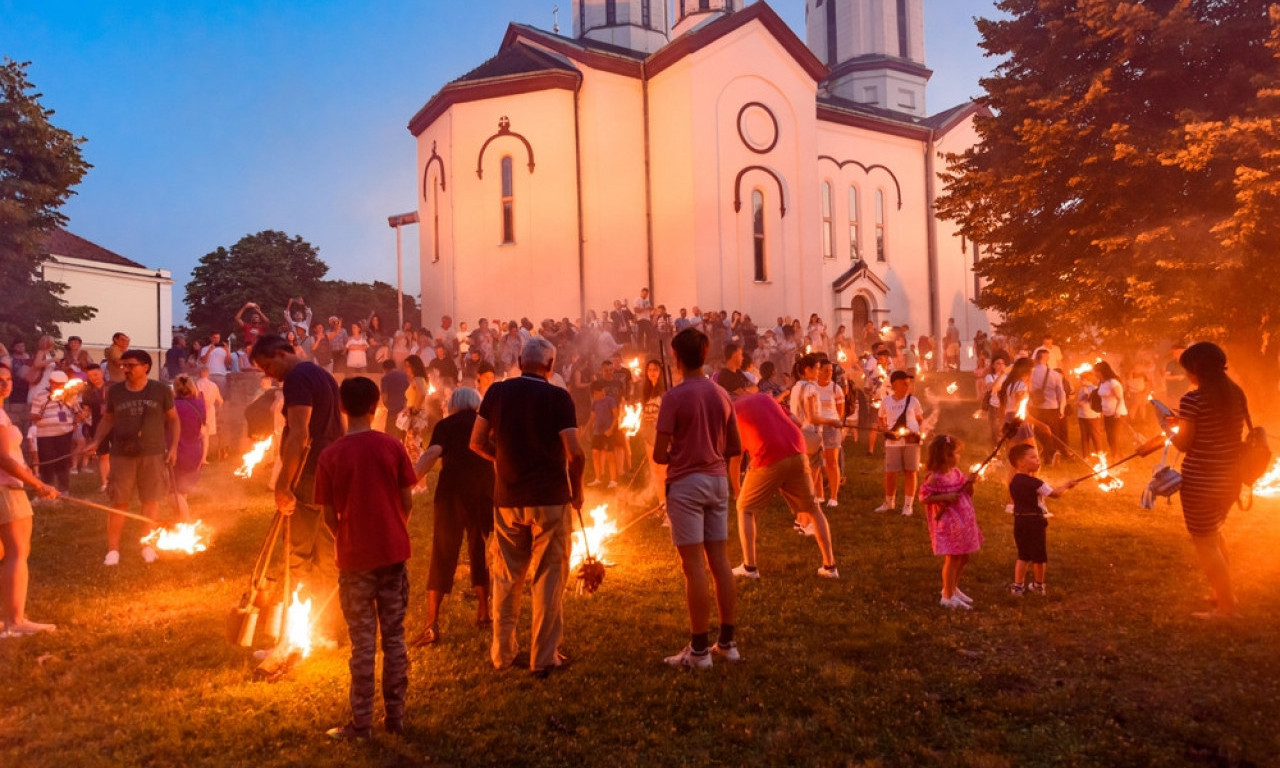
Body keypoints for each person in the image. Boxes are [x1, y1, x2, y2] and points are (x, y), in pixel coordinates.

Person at [470, 337, 584, 678]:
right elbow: (576, 453)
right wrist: (577, 491)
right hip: (549, 498)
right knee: (549, 577)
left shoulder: (496, 393)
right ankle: (544, 657)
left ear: (520, 361)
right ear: (550, 365)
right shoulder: (559, 397)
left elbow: (476, 442)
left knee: (506, 578)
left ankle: (503, 654)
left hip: (508, 498)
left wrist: (502, 460)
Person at [314, 376, 415, 740]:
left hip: (354, 560)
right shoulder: (392, 446)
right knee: (394, 638)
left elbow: (328, 515)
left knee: (362, 644)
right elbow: (407, 501)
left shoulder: (330, 455)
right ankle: (396, 717)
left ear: (342, 407)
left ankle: (361, 723)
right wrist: (392, 529)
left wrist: (346, 537)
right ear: (376, 407)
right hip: (392, 555)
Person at [653, 328, 742, 670]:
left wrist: (682, 450)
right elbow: (735, 446)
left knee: (694, 568)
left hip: (687, 485)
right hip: (717, 481)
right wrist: (710, 449)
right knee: (719, 561)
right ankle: (728, 643)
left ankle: (700, 651)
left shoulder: (673, 397)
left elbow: (659, 454)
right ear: (704, 355)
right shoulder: (721, 393)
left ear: (676, 358)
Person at [250, 335, 344, 626]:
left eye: (268, 365)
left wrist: (283, 483)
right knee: (329, 550)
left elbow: (300, 433)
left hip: (309, 472)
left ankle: (294, 627)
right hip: (333, 469)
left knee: (298, 550)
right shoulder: (323, 375)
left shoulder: (297, 378)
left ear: (282, 353)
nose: (269, 374)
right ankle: (327, 627)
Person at [1164, 342, 1247, 619]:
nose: (1186, 374)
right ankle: (1220, 593)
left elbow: (1184, 443)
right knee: (1215, 534)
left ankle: (1227, 607)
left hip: (1202, 479)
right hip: (1230, 477)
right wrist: (1185, 420)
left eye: (1187, 368)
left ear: (1196, 369)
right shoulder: (1235, 393)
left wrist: (1169, 428)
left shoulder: (1193, 399)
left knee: (1205, 542)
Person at [410, 387, 493, 647]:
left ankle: (431, 623)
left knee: (443, 553)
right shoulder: (486, 424)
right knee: (481, 550)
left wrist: (410, 479)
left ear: (453, 404)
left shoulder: (446, 425)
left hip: (451, 495)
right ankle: (484, 612)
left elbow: (432, 453)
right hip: (483, 493)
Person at [84, 350, 180, 565]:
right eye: (123, 365)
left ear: (146, 367)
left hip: (153, 453)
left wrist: (173, 447)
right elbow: (108, 419)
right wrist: (96, 441)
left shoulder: (161, 390)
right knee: (119, 502)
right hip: (122, 454)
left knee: (150, 500)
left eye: (130, 365)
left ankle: (147, 545)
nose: (125, 369)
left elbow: (173, 419)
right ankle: (113, 550)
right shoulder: (115, 391)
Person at [728, 392, 837, 580]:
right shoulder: (765, 397)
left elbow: (736, 459)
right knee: (813, 508)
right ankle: (830, 567)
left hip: (768, 454)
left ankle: (749, 568)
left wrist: (737, 490)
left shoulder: (731, 413)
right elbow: (797, 422)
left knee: (745, 509)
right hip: (797, 448)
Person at [0, 364, 60, 637]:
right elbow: (4, 459)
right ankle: (15, 621)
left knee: (5, 552)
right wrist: (38, 484)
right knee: (17, 552)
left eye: (8, 379)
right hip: (6, 490)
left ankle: (9, 619)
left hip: (7, 487)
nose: (5, 384)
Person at [919, 435, 983, 609]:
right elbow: (924, 498)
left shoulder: (956, 473)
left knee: (964, 556)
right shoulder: (935, 477)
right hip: (949, 522)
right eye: (956, 453)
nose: (959, 456)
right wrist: (945, 497)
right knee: (953, 557)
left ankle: (952, 587)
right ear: (945, 456)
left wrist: (970, 483)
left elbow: (968, 493)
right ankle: (947, 597)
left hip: (964, 520)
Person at [1007, 444, 1077, 595]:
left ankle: (1018, 586)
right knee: (1039, 556)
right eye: (1033, 457)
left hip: (1019, 521)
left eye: (1037, 457)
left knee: (1023, 555)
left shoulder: (1013, 482)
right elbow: (1055, 493)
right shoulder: (1036, 483)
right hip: (1035, 522)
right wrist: (1067, 485)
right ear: (1021, 462)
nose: (1037, 460)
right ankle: (1038, 586)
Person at [874, 370, 925, 516]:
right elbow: (880, 417)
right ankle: (889, 502)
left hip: (911, 442)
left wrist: (915, 433)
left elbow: (920, 419)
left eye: (908, 384)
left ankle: (908, 506)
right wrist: (885, 429)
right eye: (904, 383)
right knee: (890, 473)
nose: (907, 386)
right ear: (894, 384)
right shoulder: (886, 401)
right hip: (893, 442)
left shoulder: (913, 401)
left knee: (910, 472)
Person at [28, 370, 79, 494]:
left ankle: (64, 489)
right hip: (45, 434)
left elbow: (77, 411)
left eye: (61, 384)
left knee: (63, 460)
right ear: (50, 382)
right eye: (56, 383)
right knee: (47, 461)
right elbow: (32, 415)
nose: (58, 386)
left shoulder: (70, 395)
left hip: (64, 433)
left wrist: (75, 422)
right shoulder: (40, 395)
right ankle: (47, 489)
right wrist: (37, 417)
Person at [170, 375, 205, 521]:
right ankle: (180, 521)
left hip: (176, 452)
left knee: (173, 492)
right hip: (195, 451)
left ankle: (186, 523)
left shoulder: (172, 406)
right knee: (183, 490)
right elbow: (202, 427)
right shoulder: (199, 404)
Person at [813, 358, 845, 508]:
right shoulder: (812, 387)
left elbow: (840, 411)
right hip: (816, 427)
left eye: (831, 371)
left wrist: (833, 421)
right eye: (825, 370)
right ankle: (819, 495)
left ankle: (834, 496)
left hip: (831, 427)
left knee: (832, 462)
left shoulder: (835, 389)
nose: (828, 373)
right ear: (818, 371)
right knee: (817, 462)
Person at [1029, 348, 1068, 466]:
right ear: (1047, 359)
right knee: (1051, 432)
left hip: (1035, 408)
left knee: (1038, 432)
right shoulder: (1054, 374)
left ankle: (1049, 454)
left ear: (1036, 358)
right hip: (1052, 407)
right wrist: (1061, 409)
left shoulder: (1031, 373)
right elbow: (1061, 392)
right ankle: (1051, 455)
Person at [638, 360, 667, 510]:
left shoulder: (664, 391)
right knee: (655, 472)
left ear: (661, 372)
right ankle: (661, 503)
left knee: (664, 472)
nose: (652, 373)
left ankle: (669, 505)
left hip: (661, 436)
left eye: (655, 369)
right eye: (649, 370)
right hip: (648, 435)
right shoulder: (647, 392)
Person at [585, 381, 619, 489]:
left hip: (607, 432)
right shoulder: (595, 403)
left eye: (597, 392)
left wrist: (611, 429)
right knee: (595, 453)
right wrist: (586, 429)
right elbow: (592, 417)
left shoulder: (610, 400)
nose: (596, 395)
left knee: (609, 455)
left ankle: (613, 480)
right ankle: (597, 478)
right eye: (595, 393)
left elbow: (616, 416)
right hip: (597, 432)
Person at [1094, 360, 1127, 454]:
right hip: (1107, 413)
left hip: (1117, 414)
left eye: (1095, 372)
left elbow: (1120, 398)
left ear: (1101, 372)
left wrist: (1117, 412)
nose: (1094, 374)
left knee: (1114, 437)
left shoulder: (1113, 382)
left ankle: (1116, 457)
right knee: (1109, 437)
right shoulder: (1101, 383)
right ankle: (1116, 455)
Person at [194, 367, 224, 463]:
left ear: (199, 373)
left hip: (197, 410)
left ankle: (196, 457)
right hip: (210, 411)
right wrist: (218, 410)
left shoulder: (196, 384)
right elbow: (220, 400)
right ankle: (203, 458)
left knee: (196, 434)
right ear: (208, 374)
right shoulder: (213, 385)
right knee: (205, 436)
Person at [1075, 368, 1104, 456]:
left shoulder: (1094, 389)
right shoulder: (1082, 389)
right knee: (1085, 436)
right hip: (1082, 415)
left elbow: (1087, 399)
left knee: (1095, 436)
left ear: (1086, 379)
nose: (1079, 381)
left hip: (1092, 416)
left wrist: (1081, 402)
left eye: (1081, 379)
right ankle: (1086, 456)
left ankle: (1100, 454)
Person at [380, 360, 409, 442]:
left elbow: (384, 396)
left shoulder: (385, 378)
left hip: (393, 409)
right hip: (405, 408)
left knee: (390, 435)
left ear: (385, 369)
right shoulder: (405, 375)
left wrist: (386, 405)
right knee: (403, 434)